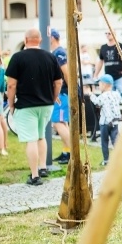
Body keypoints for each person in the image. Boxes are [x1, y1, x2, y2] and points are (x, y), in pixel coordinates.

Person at [5, 28, 63, 186]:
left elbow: (11, 85)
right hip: (46, 104)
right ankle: (43, 167)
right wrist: (53, 97)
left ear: (25, 40)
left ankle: (35, 176)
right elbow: (58, 82)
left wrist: (11, 104)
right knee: (41, 136)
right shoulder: (50, 57)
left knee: (31, 139)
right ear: (40, 40)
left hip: (26, 105)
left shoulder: (17, 57)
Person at [49, 29, 72, 165]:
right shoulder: (57, 52)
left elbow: (66, 72)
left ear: (52, 38)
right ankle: (66, 152)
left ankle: (71, 153)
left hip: (62, 93)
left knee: (58, 122)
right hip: (61, 92)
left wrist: (70, 90)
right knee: (62, 123)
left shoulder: (59, 52)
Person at [89, 74, 122, 166]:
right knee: (115, 141)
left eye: (99, 84)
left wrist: (90, 94)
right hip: (115, 122)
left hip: (105, 123)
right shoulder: (116, 94)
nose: (99, 86)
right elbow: (121, 100)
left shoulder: (103, 96)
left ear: (104, 85)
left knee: (104, 142)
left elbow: (97, 102)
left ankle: (106, 160)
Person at [94, 31, 122, 100]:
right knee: (108, 97)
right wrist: (96, 74)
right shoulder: (103, 47)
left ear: (114, 34)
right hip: (108, 78)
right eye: (106, 33)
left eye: (109, 33)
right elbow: (100, 62)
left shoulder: (121, 46)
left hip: (120, 76)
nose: (107, 35)